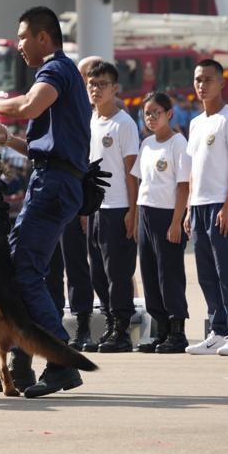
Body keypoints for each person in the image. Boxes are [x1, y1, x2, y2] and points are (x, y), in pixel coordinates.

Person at [0, 6, 91, 398]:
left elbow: (26, 107)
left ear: (42, 37)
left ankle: (59, 362)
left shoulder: (54, 69)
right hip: (53, 180)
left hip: (52, 186)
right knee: (26, 269)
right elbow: (46, 145)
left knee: (23, 271)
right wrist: (7, 141)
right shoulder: (61, 74)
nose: (18, 45)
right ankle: (21, 368)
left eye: (21, 37)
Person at [183, 58, 228, 356]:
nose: (202, 85)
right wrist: (188, 208)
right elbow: (194, 170)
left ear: (221, 83)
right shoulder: (196, 123)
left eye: (208, 80)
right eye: (198, 80)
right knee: (206, 273)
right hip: (198, 206)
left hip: (223, 206)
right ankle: (219, 330)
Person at [85, 59, 141, 353]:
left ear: (115, 88)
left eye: (102, 84)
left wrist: (133, 210)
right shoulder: (90, 121)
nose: (96, 89)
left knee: (118, 271)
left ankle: (121, 327)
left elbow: (132, 171)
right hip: (95, 209)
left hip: (119, 207)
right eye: (92, 84)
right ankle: (109, 323)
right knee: (97, 272)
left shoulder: (124, 124)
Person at [130, 92, 191, 353]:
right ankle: (161, 329)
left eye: (157, 112)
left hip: (168, 215)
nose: (152, 118)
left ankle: (177, 332)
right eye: (147, 113)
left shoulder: (178, 143)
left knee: (170, 275)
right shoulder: (146, 144)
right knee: (150, 273)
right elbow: (139, 181)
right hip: (146, 212)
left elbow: (183, 186)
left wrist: (177, 221)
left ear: (169, 114)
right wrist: (134, 218)